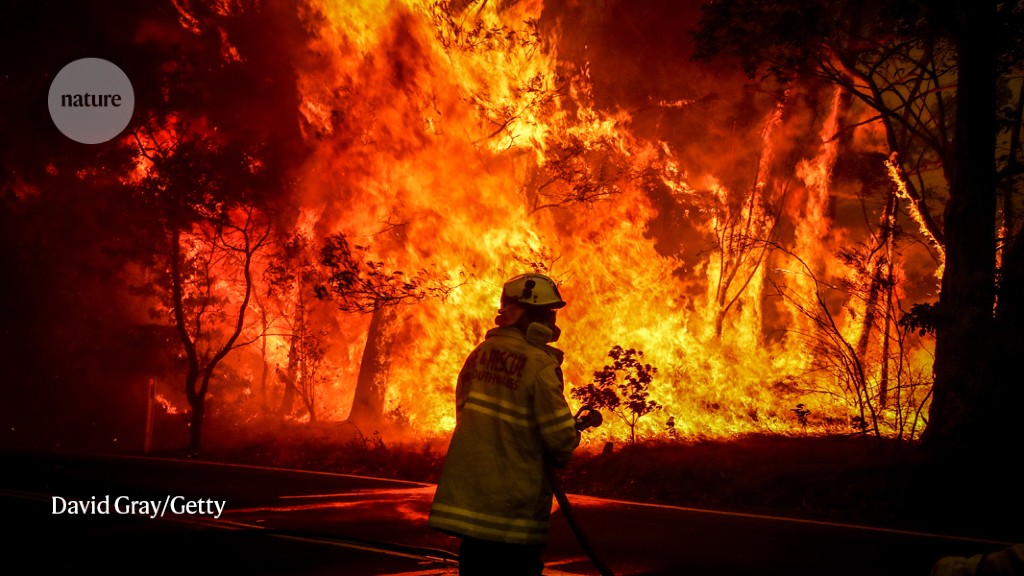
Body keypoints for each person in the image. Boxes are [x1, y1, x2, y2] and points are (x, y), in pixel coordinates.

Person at [428, 273, 581, 576]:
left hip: (472, 507)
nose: (551, 322)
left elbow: (466, 416)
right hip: (513, 512)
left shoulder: (477, 356)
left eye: (552, 313)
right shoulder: (538, 364)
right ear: (522, 316)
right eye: (545, 314)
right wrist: (571, 435)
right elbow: (560, 439)